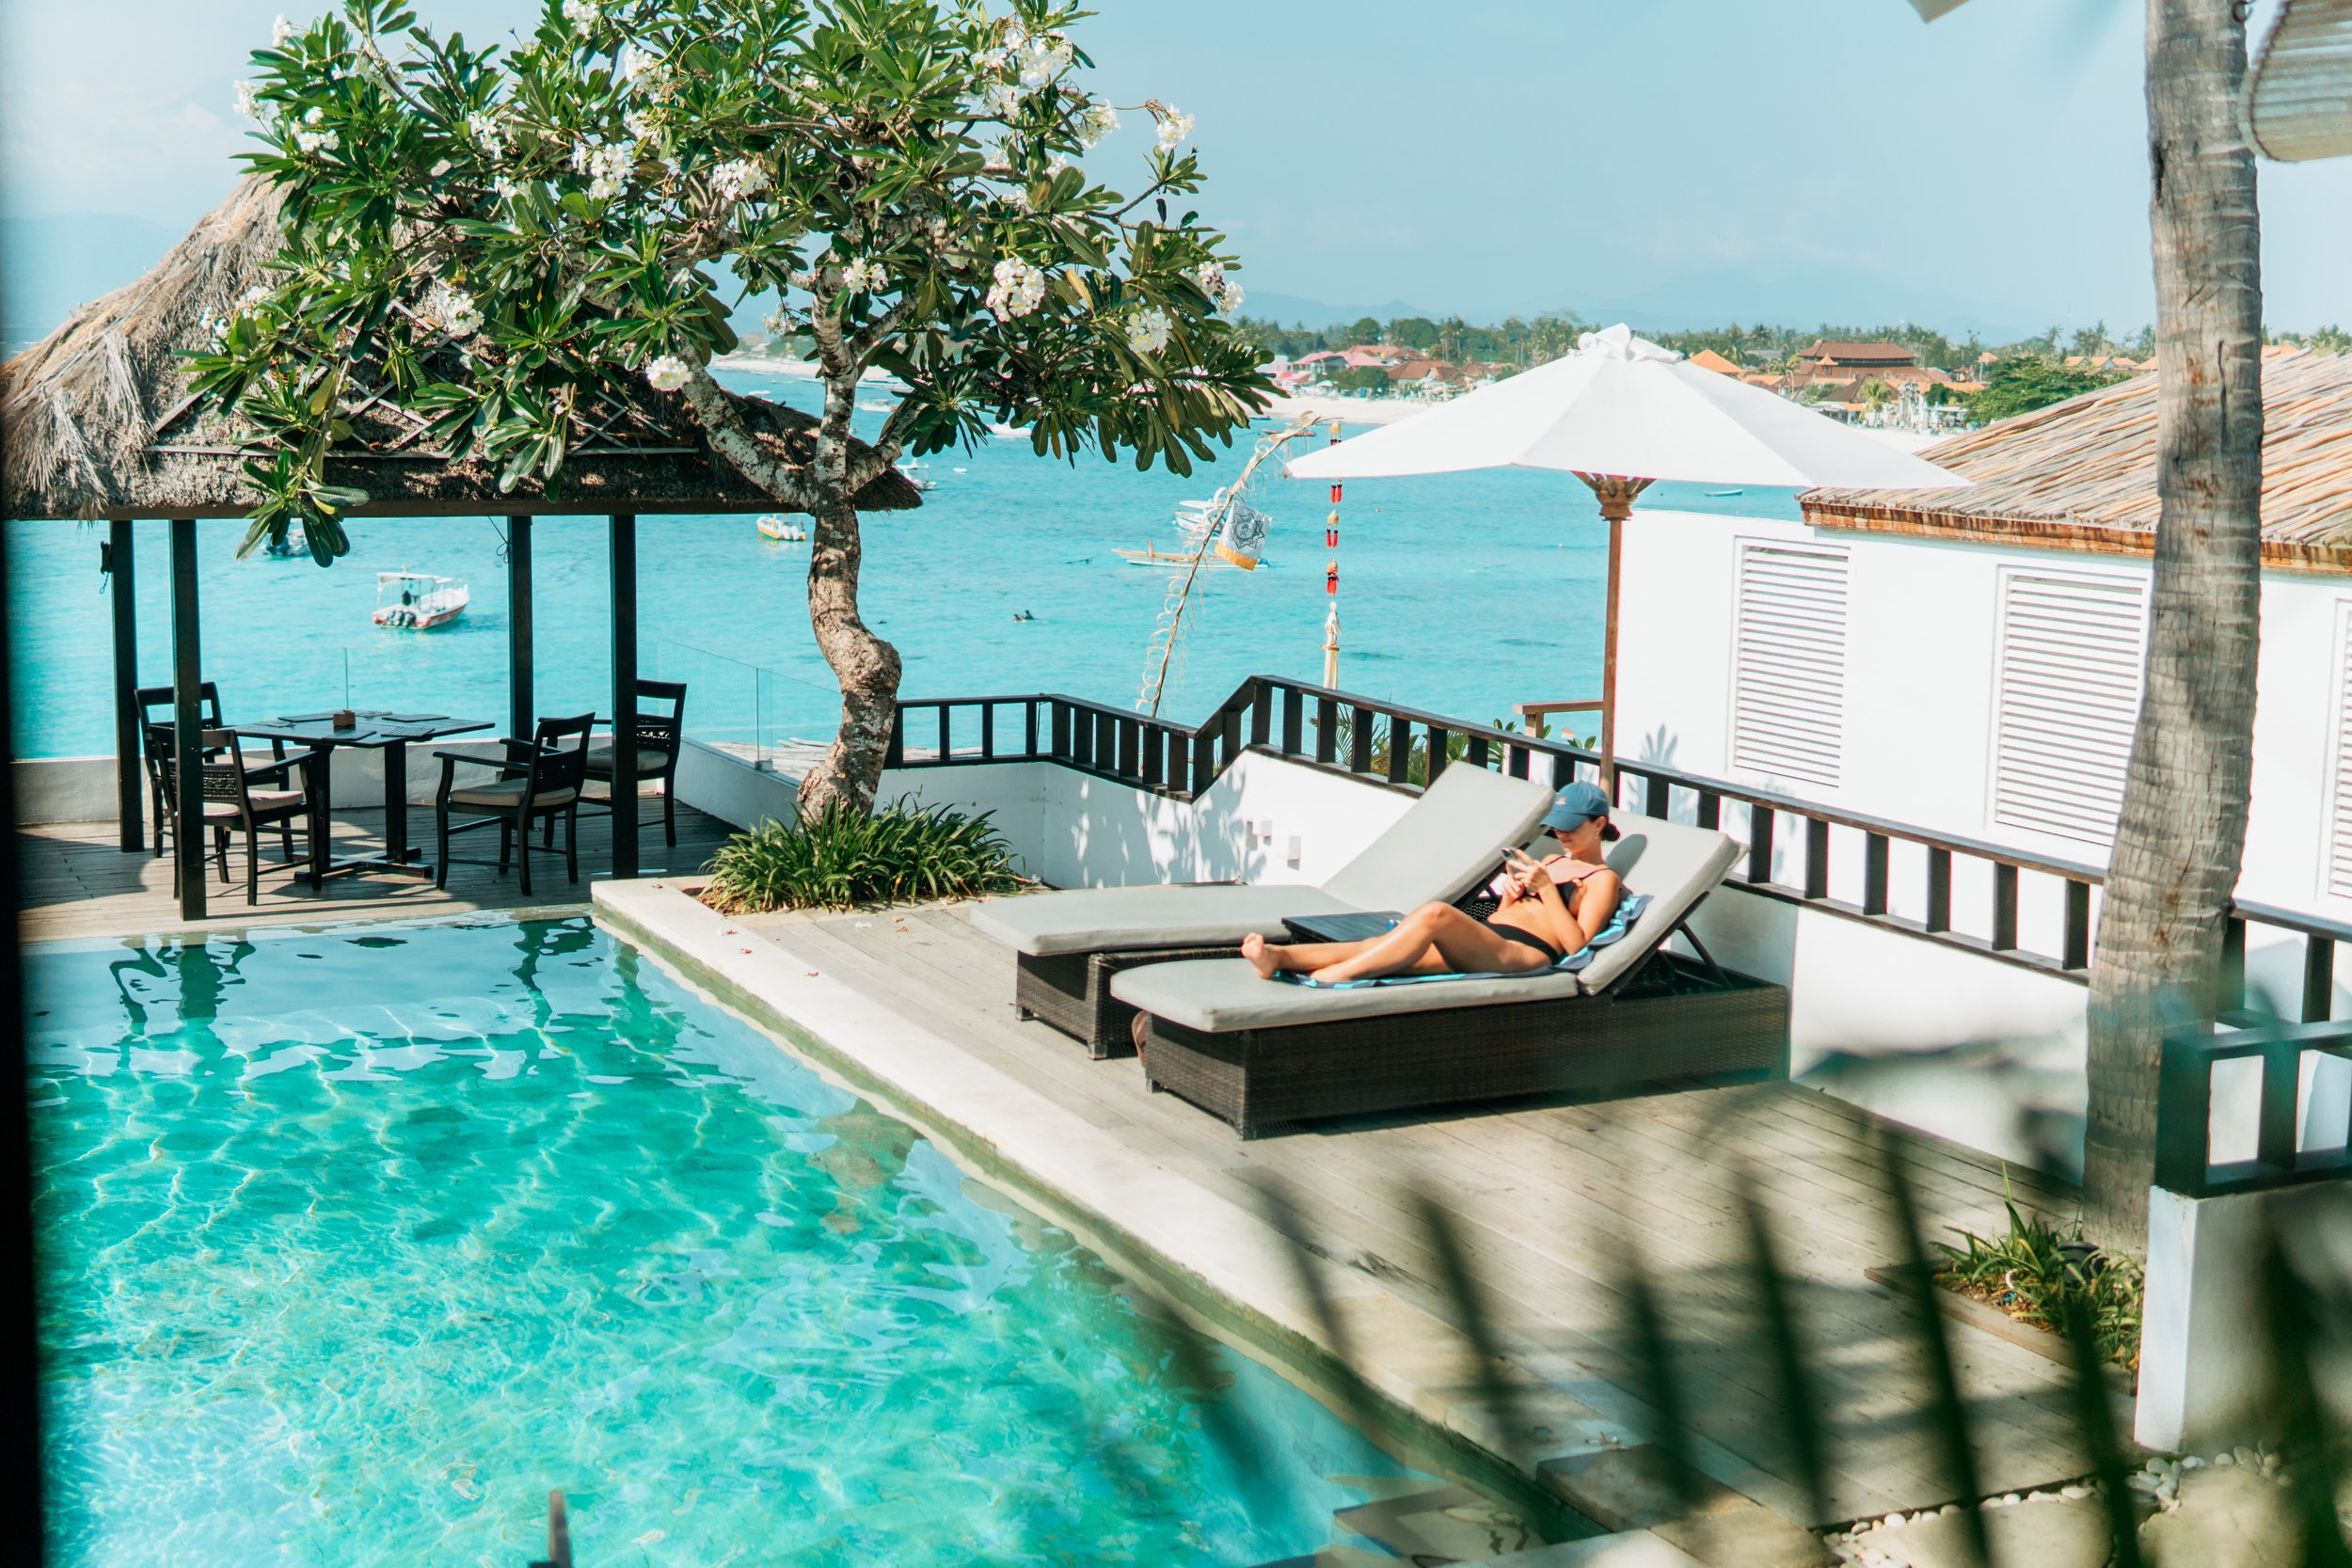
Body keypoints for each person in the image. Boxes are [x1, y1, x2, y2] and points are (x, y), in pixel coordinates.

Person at [1241, 781, 1624, 984]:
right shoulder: (1552, 860)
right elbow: (1509, 915)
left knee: (1436, 915)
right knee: (1383, 947)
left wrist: (1545, 892)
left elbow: (1579, 948)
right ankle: (1279, 958)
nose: (1562, 836)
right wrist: (1513, 895)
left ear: (1599, 825)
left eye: (1572, 827)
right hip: (1490, 937)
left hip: (1526, 955)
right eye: (1558, 828)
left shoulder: (1602, 880)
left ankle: (1334, 978)